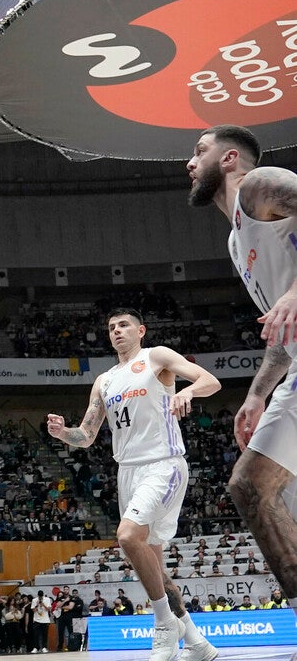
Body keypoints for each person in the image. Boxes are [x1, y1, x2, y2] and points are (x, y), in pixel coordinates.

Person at [47, 308, 221, 661]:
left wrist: (188, 393)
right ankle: (200, 645)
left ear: (140, 330)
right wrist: (63, 432)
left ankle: (163, 626)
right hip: (127, 472)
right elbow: (87, 435)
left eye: (123, 325)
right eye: (111, 327)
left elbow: (210, 381)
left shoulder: (156, 356)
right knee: (156, 571)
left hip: (163, 465)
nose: (116, 331)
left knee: (127, 537)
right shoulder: (105, 381)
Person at [186, 124, 297, 641]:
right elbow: (281, 330)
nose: (190, 162)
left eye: (199, 151)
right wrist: (257, 392)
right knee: (250, 486)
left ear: (230, 158)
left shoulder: (260, 185)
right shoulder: (237, 240)